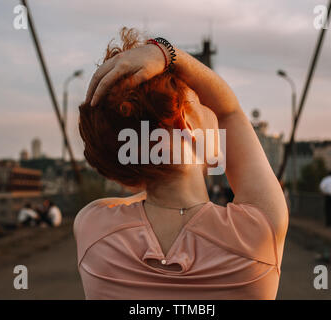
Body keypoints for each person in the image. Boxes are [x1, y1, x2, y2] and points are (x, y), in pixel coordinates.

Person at [74, 28, 288, 300]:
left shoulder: (93, 228)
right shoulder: (258, 231)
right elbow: (229, 110)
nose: (213, 113)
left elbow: (135, 195)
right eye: (201, 102)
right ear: (185, 122)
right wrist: (165, 52)